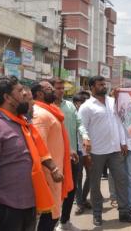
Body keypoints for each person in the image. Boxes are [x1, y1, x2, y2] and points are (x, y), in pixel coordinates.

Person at [0, 76, 62, 231]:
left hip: (29, 204)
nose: (26, 94)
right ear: (7, 98)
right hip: (7, 208)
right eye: (20, 91)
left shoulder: (22, 122)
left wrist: (52, 168)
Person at [78, 76, 131, 227]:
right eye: (100, 84)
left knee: (121, 180)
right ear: (92, 87)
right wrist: (85, 154)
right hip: (96, 152)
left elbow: (120, 122)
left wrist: (123, 141)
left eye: (105, 84)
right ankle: (97, 214)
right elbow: (81, 128)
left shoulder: (112, 102)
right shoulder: (87, 107)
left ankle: (124, 212)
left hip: (115, 149)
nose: (104, 86)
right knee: (95, 184)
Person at [31, 80, 74, 231]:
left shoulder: (49, 110)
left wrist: (68, 152)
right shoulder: (39, 114)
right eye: (49, 89)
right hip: (49, 172)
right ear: (39, 94)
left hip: (55, 169)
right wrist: (51, 170)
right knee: (49, 215)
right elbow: (38, 146)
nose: (54, 91)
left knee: (52, 213)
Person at [50, 79, 81, 231]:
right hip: (53, 158)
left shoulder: (70, 106)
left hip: (71, 156)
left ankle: (65, 221)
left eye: (62, 88)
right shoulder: (45, 108)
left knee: (70, 189)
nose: (60, 91)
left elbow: (80, 124)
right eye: (57, 88)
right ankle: (51, 224)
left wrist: (85, 136)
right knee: (54, 191)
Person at [72, 93, 92, 215]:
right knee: (78, 179)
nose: (83, 104)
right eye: (81, 102)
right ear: (76, 103)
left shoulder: (89, 113)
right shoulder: (72, 114)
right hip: (77, 150)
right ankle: (79, 203)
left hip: (89, 149)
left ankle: (83, 199)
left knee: (91, 176)